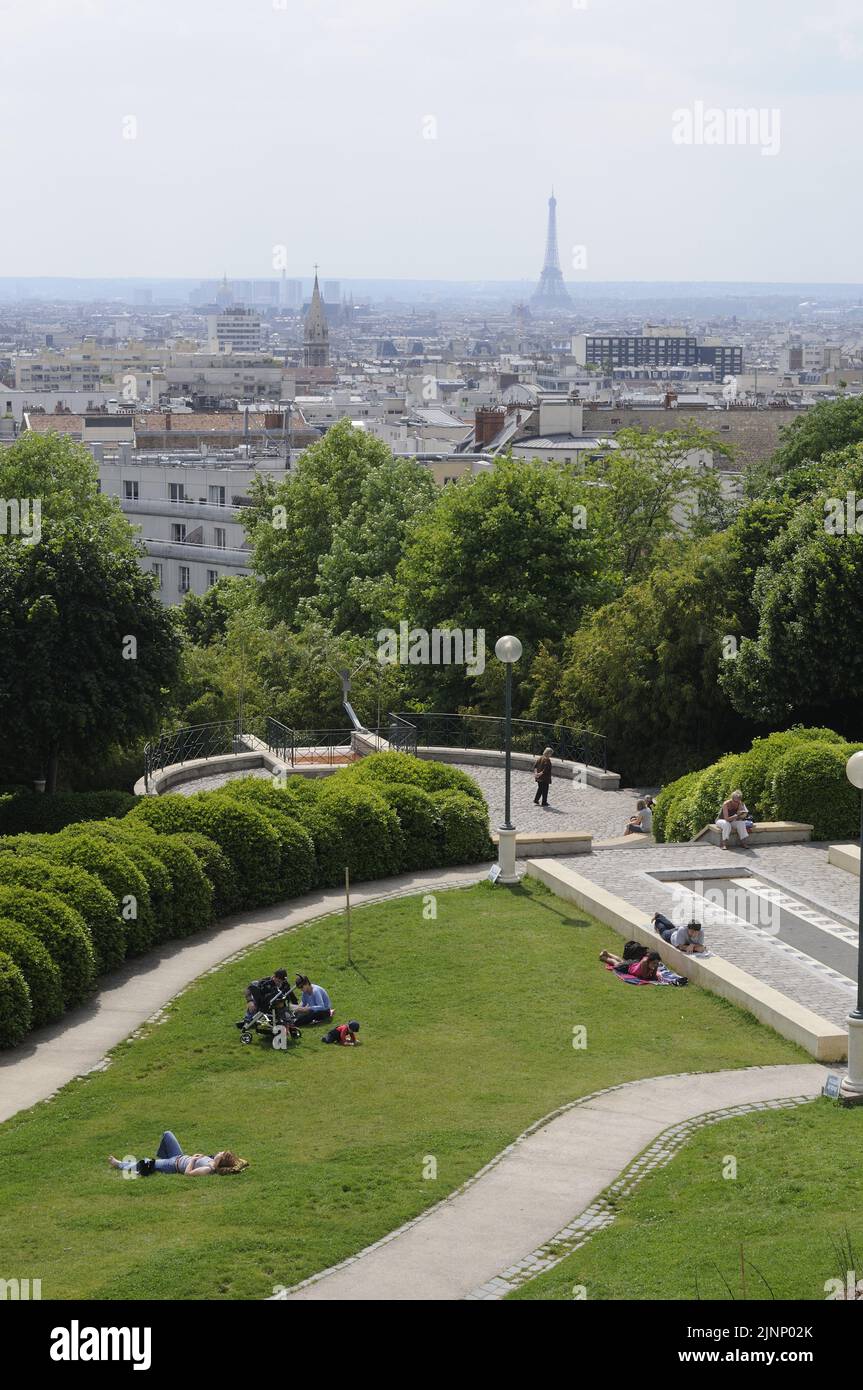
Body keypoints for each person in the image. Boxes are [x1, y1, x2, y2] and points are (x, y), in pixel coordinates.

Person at [109, 1131, 248, 1176]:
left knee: (146, 1163)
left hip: (173, 1164)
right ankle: (160, 1162)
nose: (218, 1152)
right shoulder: (212, 1161)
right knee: (167, 1134)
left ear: (221, 1160)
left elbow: (188, 1174)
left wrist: (193, 1160)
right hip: (179, 1156)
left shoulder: (208, 1169)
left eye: (221, 1153)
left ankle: (119, 1164)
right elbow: (239, 1163)